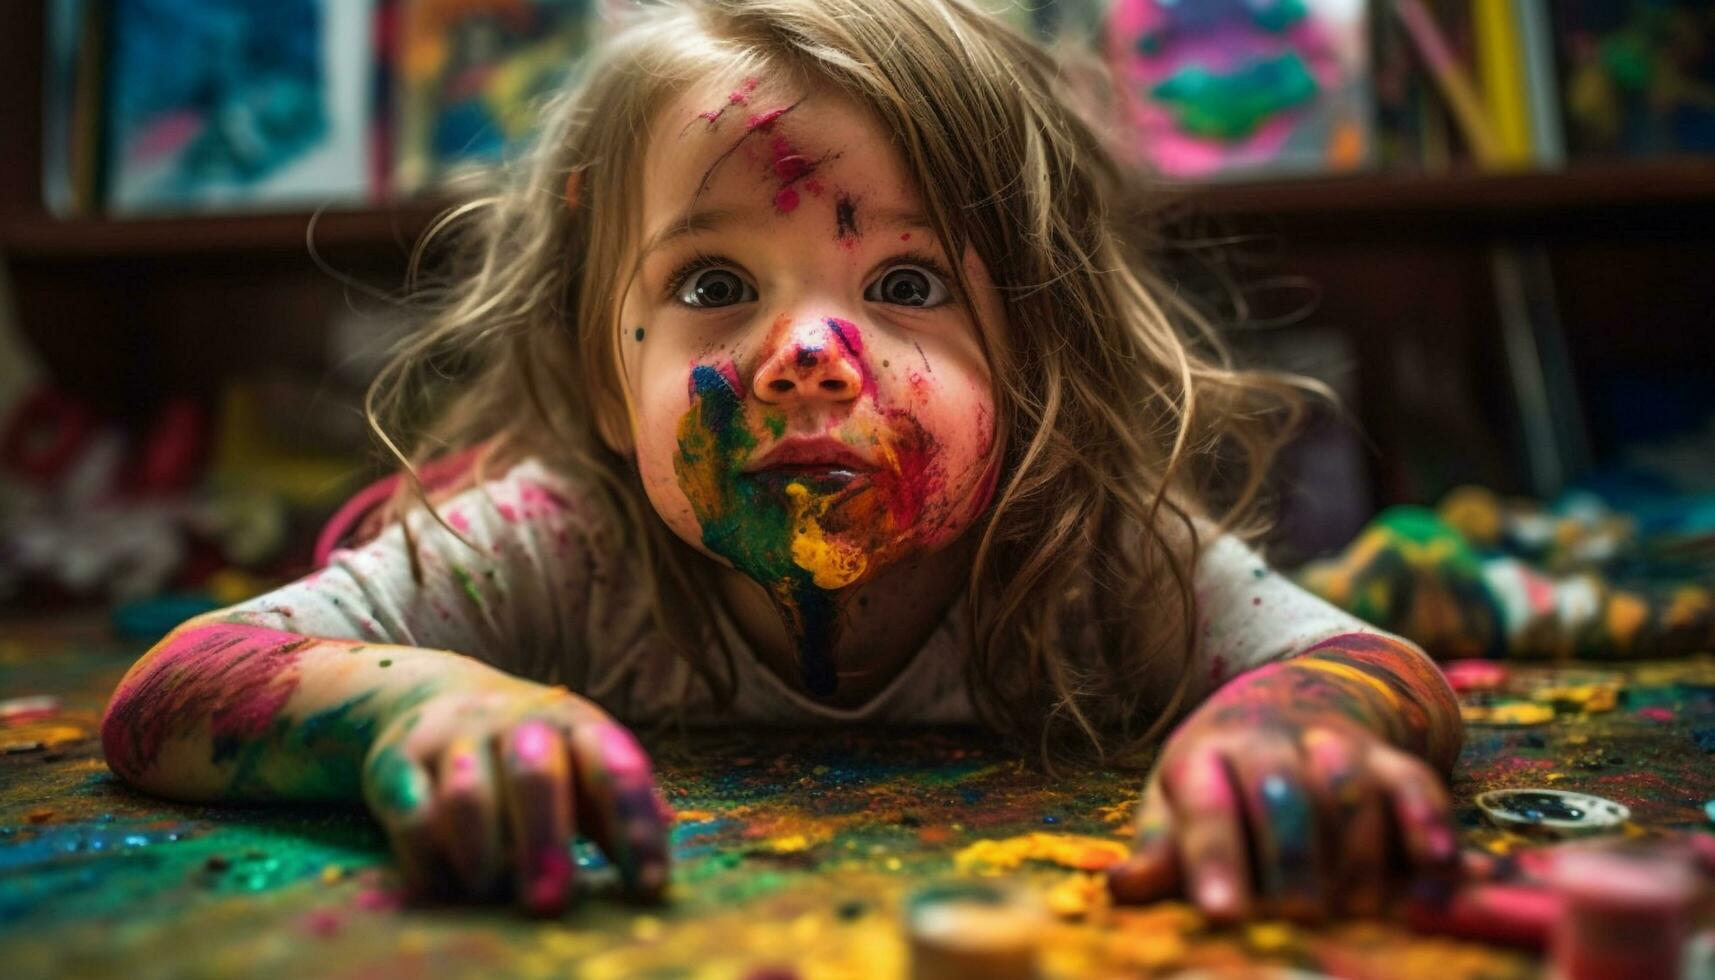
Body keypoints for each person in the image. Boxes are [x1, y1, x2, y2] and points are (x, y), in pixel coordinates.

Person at [101, 0, 1462, 922]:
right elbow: (177, 686)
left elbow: (1373, 665)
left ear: (1033, 356)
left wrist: (1287, 732)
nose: (809, 354)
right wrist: (419, 708)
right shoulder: (554, 541)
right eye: (711, 283)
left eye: (910, 279)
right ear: (598, 364)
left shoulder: (1086, 553)